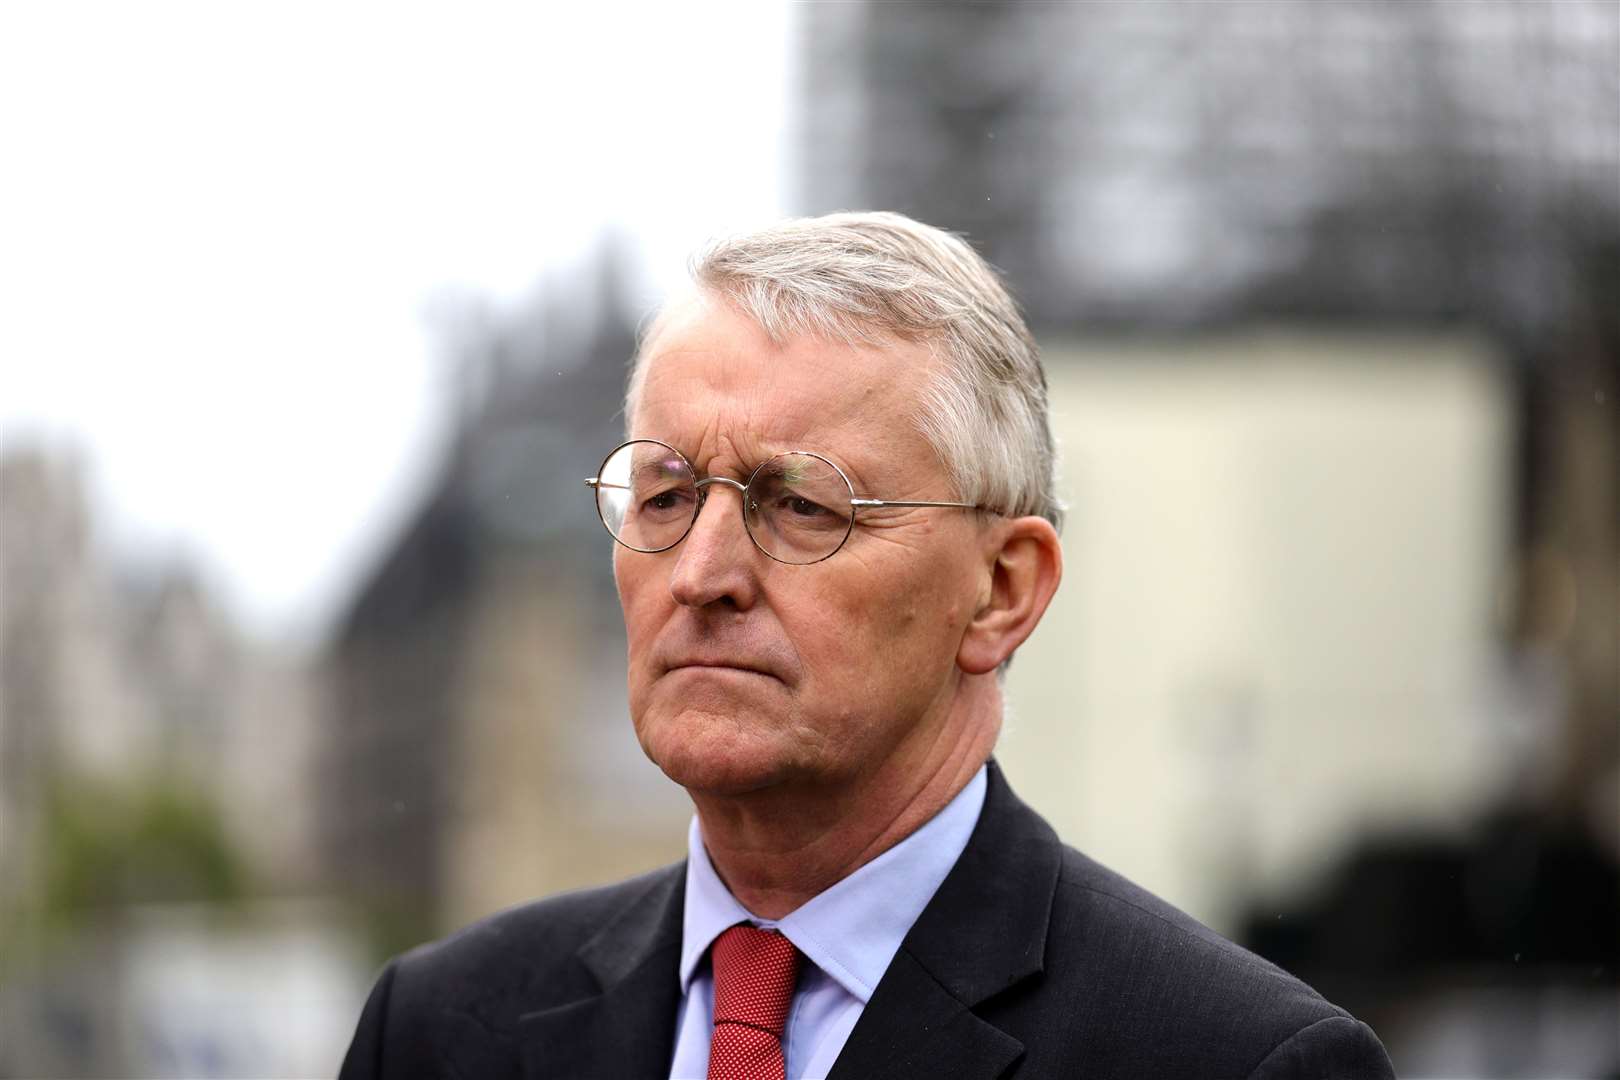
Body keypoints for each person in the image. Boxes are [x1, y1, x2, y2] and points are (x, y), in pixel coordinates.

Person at [339, 212, 1394, 1079]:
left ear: (1000, 590)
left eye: (800, 504)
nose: (702, 573)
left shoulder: (1231, 1064)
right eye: (665, 494)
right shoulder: (441, 1034)